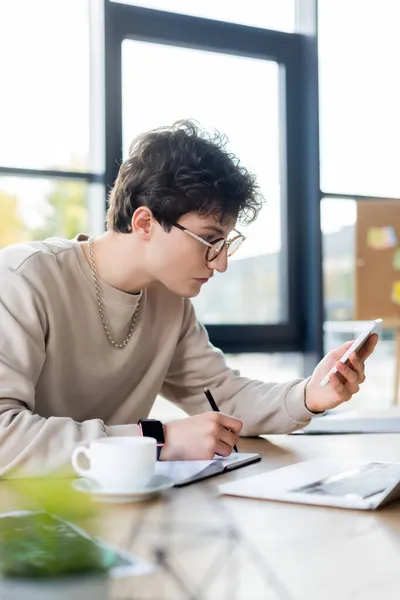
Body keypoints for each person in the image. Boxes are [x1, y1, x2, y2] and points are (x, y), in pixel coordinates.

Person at [0, 121, 377, 477]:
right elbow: (4, 436)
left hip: (112, 504)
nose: (223, 263)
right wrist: (156, 440)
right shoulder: (23, 278)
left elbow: (222, 398)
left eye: (226, 242)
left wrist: (310, 394)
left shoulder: (169, 303)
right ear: (144, 223)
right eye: (209, 240)